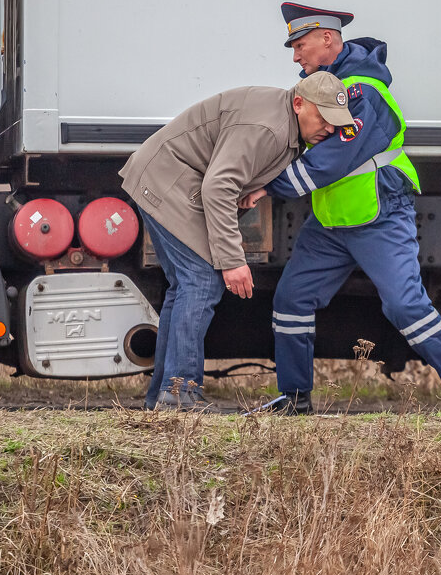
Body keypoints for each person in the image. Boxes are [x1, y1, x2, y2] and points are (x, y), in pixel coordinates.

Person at [243, 2, 441, 414]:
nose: (295, 56)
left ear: (328, 39)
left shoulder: (360, 90)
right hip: (333, 220)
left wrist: (265, 186)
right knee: (292, 299)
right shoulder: (321, 87)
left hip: (380, 214)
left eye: (300, 45)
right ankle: (295, 398)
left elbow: (332, 159)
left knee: (405, 305)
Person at [120, 70, 354, 410]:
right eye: (324, 118)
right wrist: (232, 262)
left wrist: (248, 187)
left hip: (167, 178)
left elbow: (227, 175)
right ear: (299, 103)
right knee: (200, 283)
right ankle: (181, 394)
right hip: (167, 182)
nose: (330, 129)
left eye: (336, 123)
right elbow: (217, 186)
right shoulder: (269, 129)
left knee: (185, 285)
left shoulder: (286, 122)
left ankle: (164, 394)